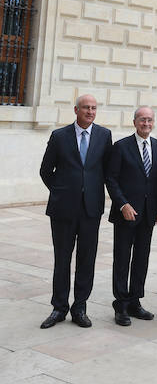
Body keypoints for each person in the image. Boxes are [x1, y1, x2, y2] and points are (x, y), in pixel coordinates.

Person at [39, 94, 112, 329]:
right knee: (62, 259)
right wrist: (61, 191)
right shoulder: (59, 136)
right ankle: (59, 308)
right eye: (85, 108)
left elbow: (107, 171)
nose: (90, 111)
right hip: (63, 209)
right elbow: (45, 170)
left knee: (86, 260)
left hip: (91, 209)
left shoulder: (104, 135)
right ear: (76, 110)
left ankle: (80, 307)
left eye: (93, 108)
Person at [106, 106, 157, 326]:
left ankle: (135, 301)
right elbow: (111, 179)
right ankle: (120, 304)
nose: (146, 124)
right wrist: (123, 205)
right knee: (122, 259)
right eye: (142, 120)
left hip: (148, 214)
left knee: (142, 258)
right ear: (134, 122)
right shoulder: (121, 147)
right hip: (126, 214)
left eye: (149, 120)